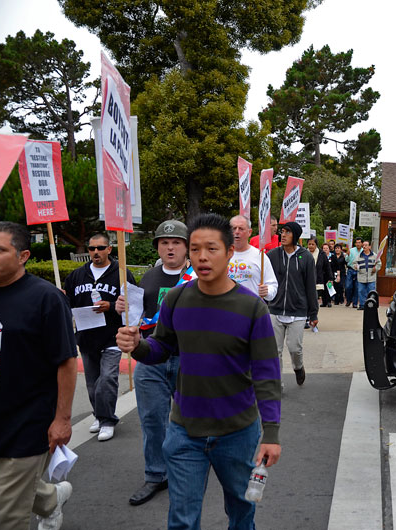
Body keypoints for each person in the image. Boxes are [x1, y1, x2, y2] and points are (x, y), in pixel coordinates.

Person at [116, 213, 281, 530]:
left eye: (211, 248)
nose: (202, 257)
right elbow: (162, 347)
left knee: (241, 511)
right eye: (195, 249)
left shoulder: (252, 308)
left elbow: (267, 374)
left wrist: (271, 432)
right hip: (184, 432)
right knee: (182, 518)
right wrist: (137, 345)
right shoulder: (177, 298)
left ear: (229, 252)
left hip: (237, 432)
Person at [0, 221, 76, 530]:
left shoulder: (46, 298)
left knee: (3, 517)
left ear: (23, 256)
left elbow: (66, 361)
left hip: (27, 423)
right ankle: (51, 499)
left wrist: (62, 419)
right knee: (5, 493)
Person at [115, 220, 195, 506]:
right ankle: (156, 474)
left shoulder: (199, 278)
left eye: (176, 243)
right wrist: (122, 309)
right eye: (164, 243)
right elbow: (138, 319)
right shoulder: (147, 278)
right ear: (158, 247)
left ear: (187, 247)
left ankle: (194, 466)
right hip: (151, 359)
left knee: (192, 419)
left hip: (189, 359)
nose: (170, 248)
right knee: (151, 420)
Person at [64, 233, 136, 442]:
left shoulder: (122, 274)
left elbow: (133, 304)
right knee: (92, 384)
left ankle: (107, 421)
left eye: (100, 248)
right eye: (92, 248)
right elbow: (68, 302)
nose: (96, 252)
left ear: (109, 249)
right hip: (87, 338)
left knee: (107, 379)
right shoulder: (77, 276)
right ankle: (99, 414)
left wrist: (111, 306)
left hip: (112, 336)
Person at [266, 222, 319, 386]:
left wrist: (313, 313)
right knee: (274, 351)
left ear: (295, 236)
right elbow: (266, 279)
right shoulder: (272, 255)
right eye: (282, 232)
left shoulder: (306, 257)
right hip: (274, 309)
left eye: (287, 232)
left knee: (295, 349)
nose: (283, 235)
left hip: (298, 311)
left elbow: (310, 286)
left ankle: (298, 367)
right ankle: (277, 384)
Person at [229, 215, 278, 302]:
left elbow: (272, 286)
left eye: (241, 229)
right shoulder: (221, 255)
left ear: (249, 232)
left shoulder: (260, 256)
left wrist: (267, 291)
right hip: (226, 308)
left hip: (252, 308)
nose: (237, 232)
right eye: (234, 228)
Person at [352, 240, 382, 310]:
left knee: (371, 292)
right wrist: (355, 266)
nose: (364, 247)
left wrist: (376, 268)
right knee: (361, 291)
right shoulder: (359, 256)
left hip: (371, 277)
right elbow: (354, 263)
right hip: (361, 277)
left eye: (366, 245)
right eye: (363, 245)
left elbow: (379, 263)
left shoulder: (374, 255)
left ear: (369, 247)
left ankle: (371, 305)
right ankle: (362, 305)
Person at [307, 237, 332, 308]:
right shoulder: (304, 253)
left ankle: (313, 310)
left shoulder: (322, 254)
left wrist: (330, 278)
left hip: (318, 279)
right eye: (309, 244)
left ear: (316, 245)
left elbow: (327, 267)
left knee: (314, 298)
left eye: (313, 244)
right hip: (306, 279)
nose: (311, 246)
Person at [344, 237, 362, 308]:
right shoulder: (351, 250)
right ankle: (349, 300)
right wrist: (348, 255)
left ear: (361, 243)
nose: (358, 244)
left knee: (357, 287)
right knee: (348, 286)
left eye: (359, 242)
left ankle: (355, 303)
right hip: (351, 269)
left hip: (359, 270)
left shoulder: (363, 251)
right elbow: (346, 260)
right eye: (357, 242)